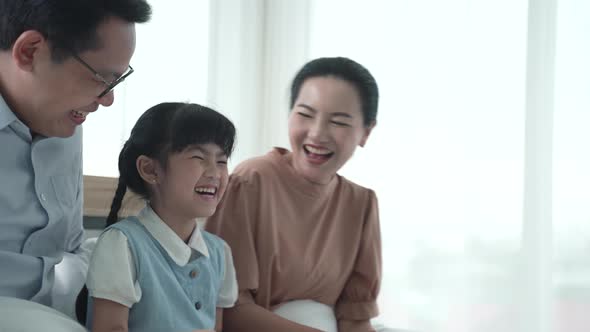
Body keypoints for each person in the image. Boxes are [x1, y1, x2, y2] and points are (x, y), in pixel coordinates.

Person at [205, 57, 382, 332]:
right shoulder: (251, 181)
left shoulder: (361, 204)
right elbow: (228, 310)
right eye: (305, 114)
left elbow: (355, 319)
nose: (317, 133)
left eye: (338, 121)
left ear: (365, 132)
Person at [0, 0, 152, 315]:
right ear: (30, 51)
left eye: (117, 80)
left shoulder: (62, 122)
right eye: (102, 79)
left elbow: (70, 250)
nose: (108, 99)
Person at [84, 102, 238, 332]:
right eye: (198, 157)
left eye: (221, 161)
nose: (215, 172)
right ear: (150, 170)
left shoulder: (219, 253)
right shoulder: (121, 245)